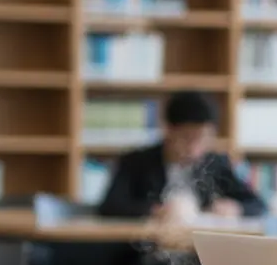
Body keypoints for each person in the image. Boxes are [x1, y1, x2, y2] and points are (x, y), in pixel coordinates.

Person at [98, 90, 266, 220]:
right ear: (169, 130)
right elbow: (110, 207)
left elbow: (258, 205)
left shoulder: (216, 164)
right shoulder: (137, 162)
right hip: (148, 251)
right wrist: (155, 211)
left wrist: (235, 208)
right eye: (186, 138)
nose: (194, 147)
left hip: (201, 251)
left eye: (202, 138)